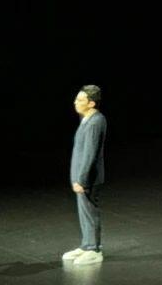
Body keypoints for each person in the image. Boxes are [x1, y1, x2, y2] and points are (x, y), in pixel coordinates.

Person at [62, 84, 108, 265]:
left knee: (90, 212)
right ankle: (86, 244)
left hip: (89, 178)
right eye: (76, 99)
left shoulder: (96, 122)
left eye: (80, 100)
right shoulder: (87, 119)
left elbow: (90, 153)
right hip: (81, 177)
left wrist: (81, 179)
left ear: (91, 103)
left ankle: (94, 249)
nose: (75, 102)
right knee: (84, 212)